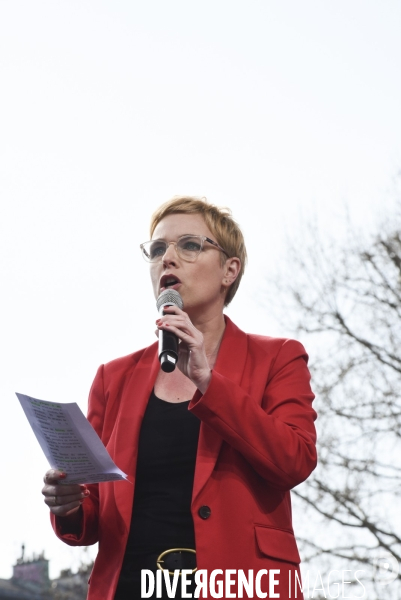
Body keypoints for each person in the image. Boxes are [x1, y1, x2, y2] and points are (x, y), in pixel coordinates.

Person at [42, 196, 317, 600]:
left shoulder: (278, 357)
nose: (167, 259)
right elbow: (95, 511)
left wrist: (210, 383)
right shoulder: (113, 379)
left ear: (229, 270)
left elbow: (294, 459)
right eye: (157, 250)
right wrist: (68, 504)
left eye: (189, 245)